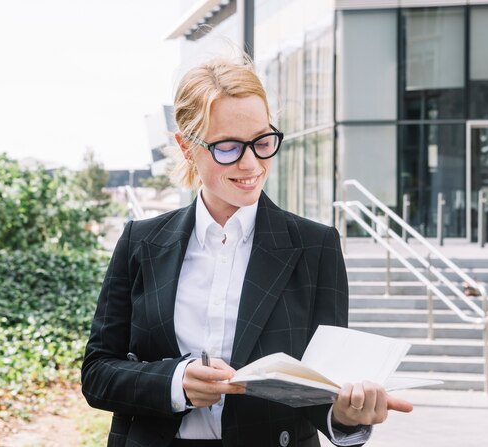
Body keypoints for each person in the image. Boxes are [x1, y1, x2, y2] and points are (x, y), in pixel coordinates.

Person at [81, 57, 413, 447]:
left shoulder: (315, 246)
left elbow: (321, 389)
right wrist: (175, 382)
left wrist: (344, 415)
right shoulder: (141, 241)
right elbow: (98, 373)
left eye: (262, 141)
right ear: (187, 148)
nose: (251, 163)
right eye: (228, 148)